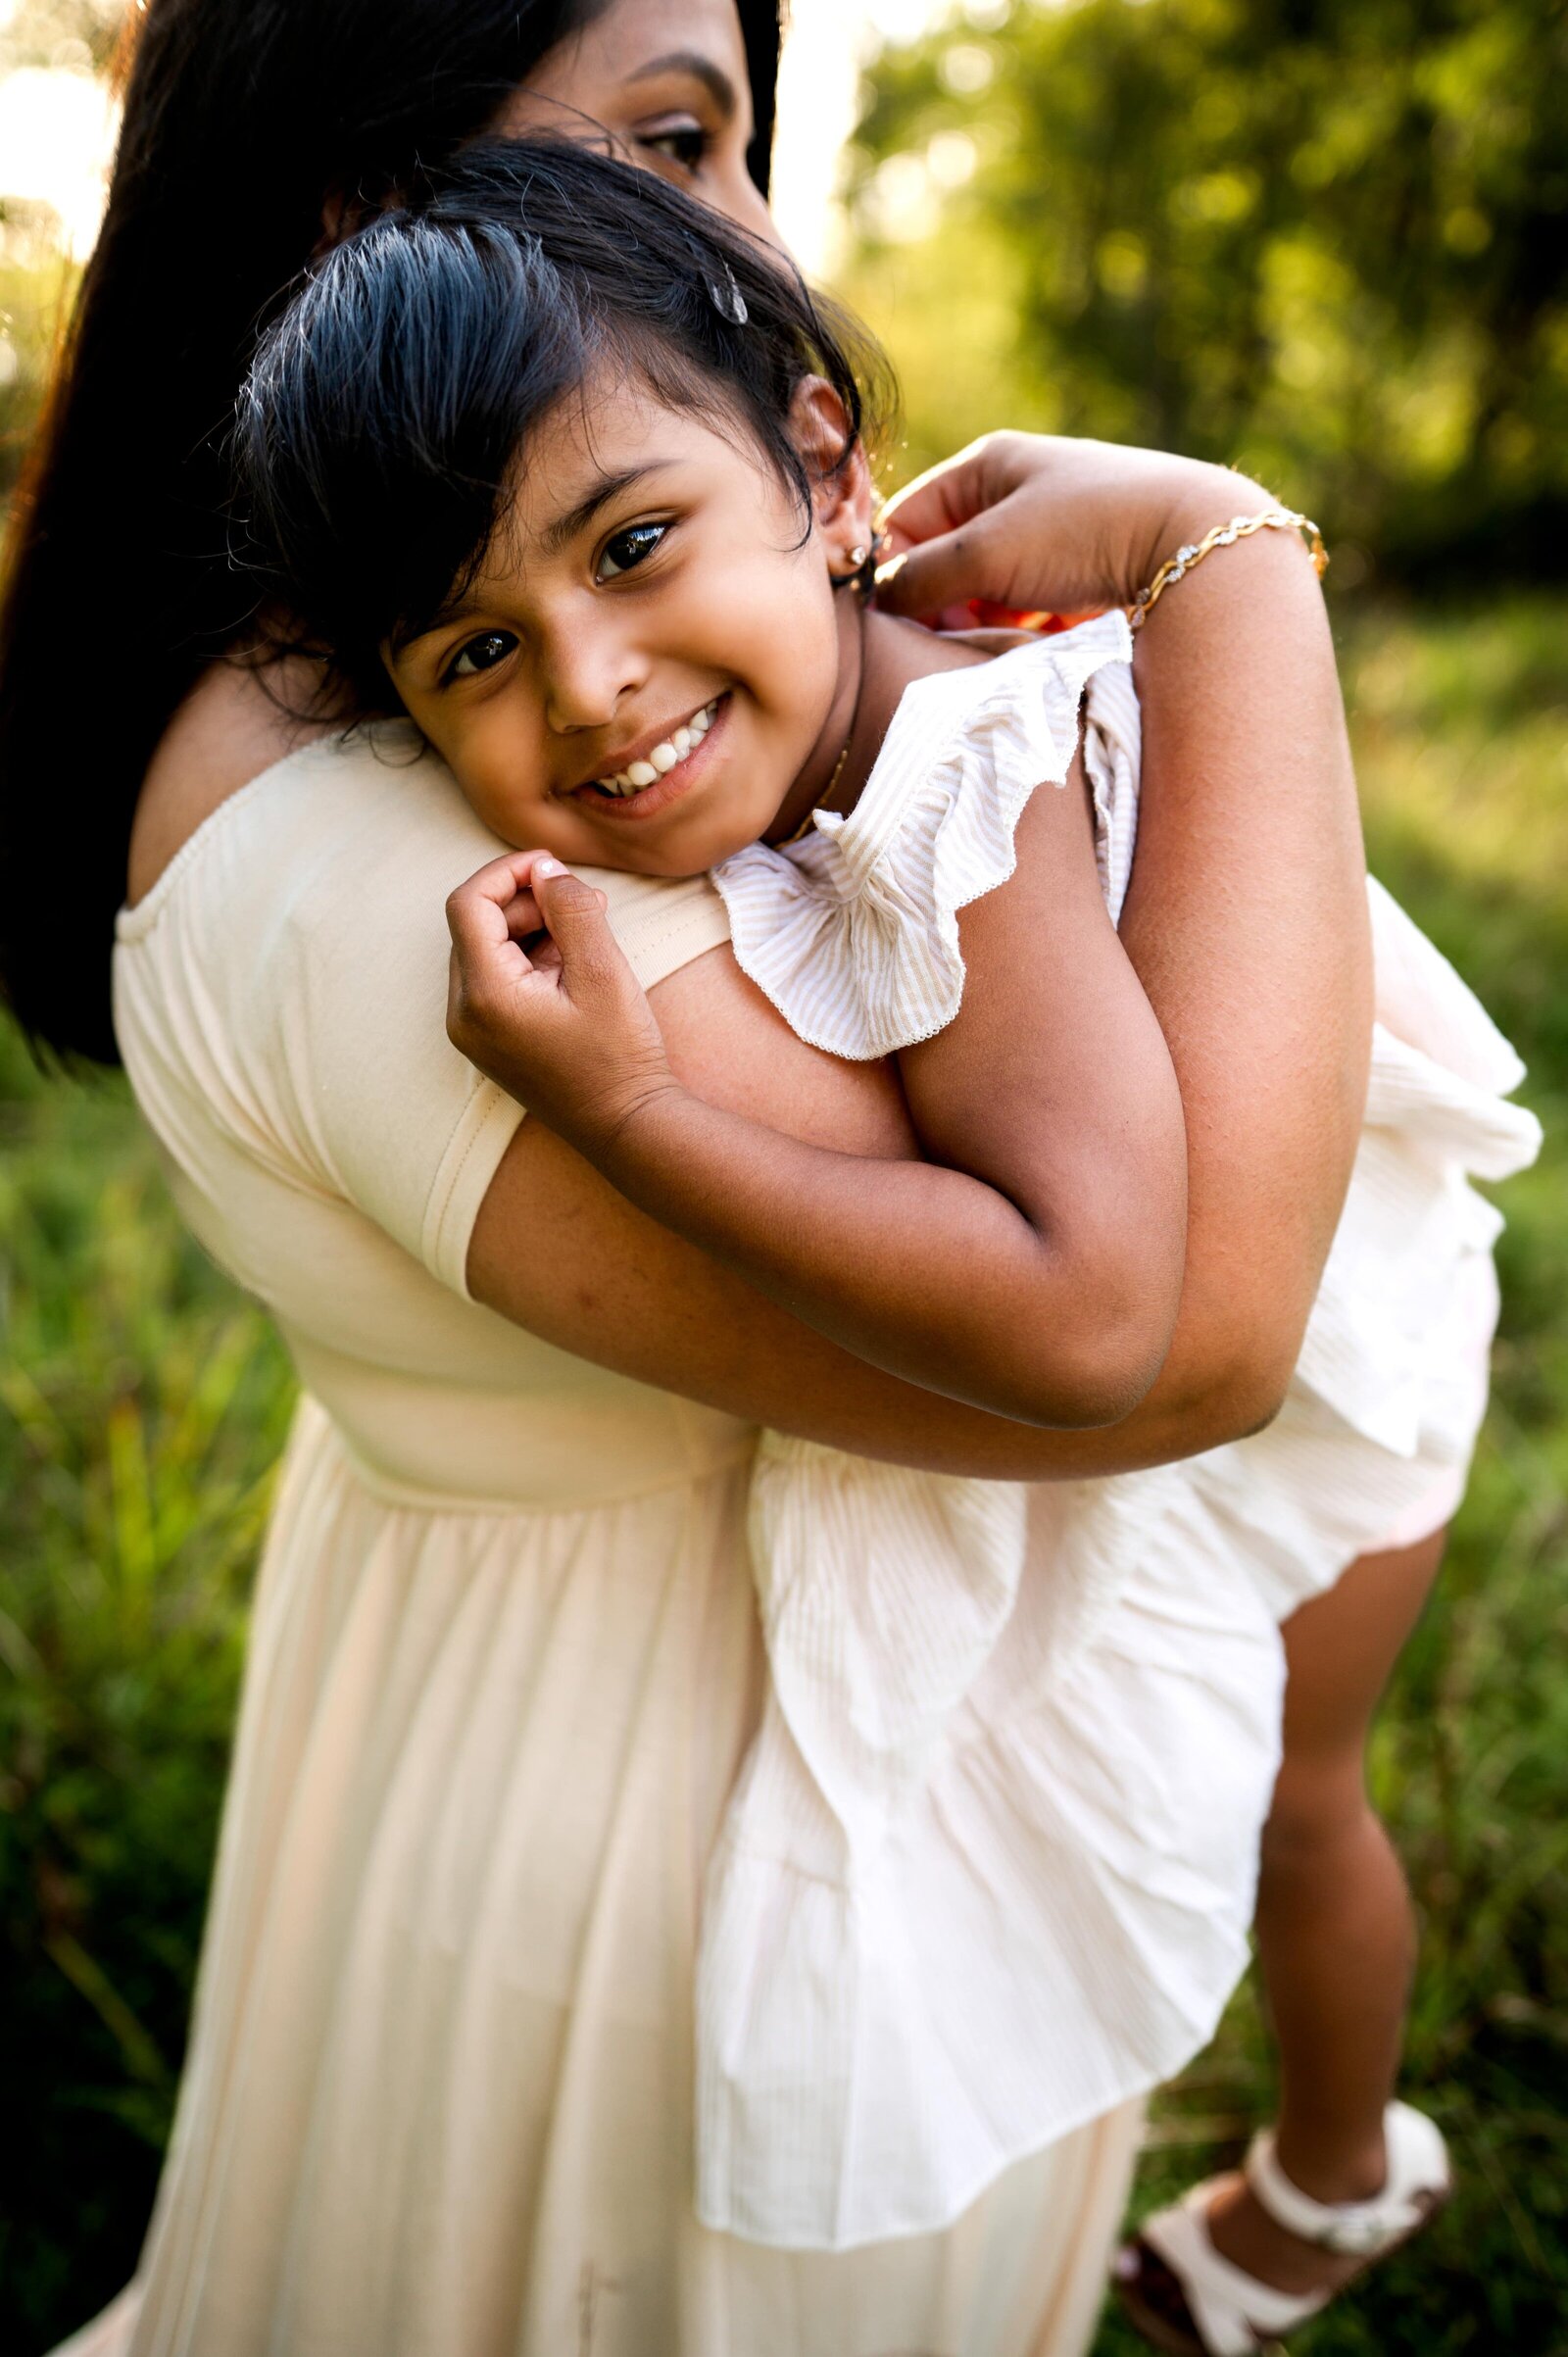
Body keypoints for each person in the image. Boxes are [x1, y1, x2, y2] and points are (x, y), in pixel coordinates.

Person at [0, 2, 1453, 2351]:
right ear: (356, 224)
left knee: (1315, 1805)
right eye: (670, 137)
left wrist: (1221, 552)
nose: (748, 237)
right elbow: (1132, 1329)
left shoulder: (910, 769)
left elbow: (1142, 1323)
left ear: (817, 462)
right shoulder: (389, 841)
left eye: (734, 143)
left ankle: (1326, 2168)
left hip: (927, 1665)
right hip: (641, 1875)